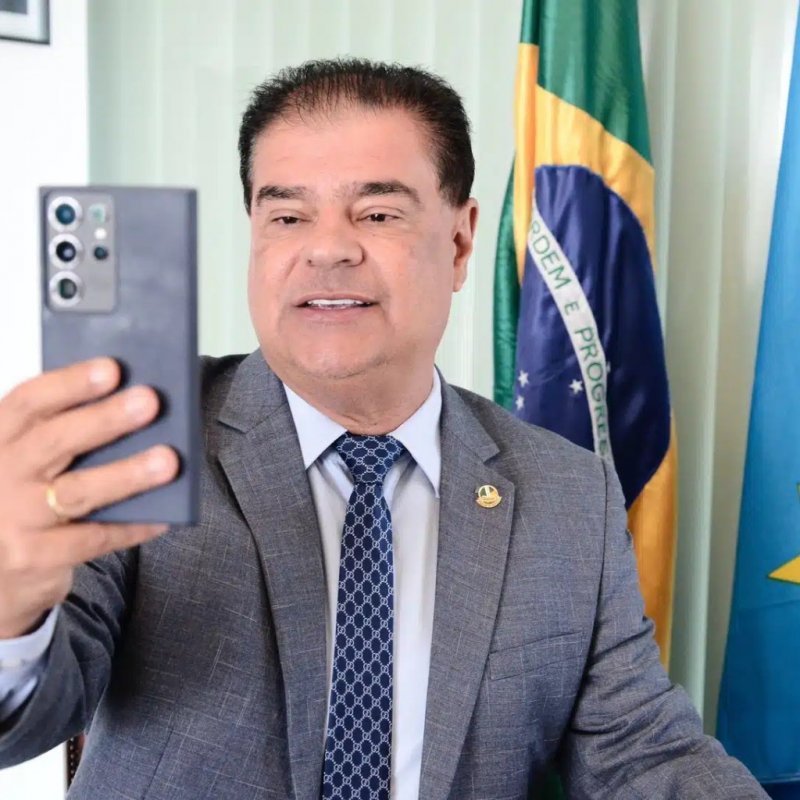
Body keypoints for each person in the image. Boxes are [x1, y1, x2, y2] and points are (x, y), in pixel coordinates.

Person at [0, 59, 766, 800]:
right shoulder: (140, 439)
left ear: (460, 242)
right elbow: (26, 718)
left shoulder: (567, 494)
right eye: (288, 215)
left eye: (377, 213)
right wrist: (9, 605)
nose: (327, 247)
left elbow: (642, 753)